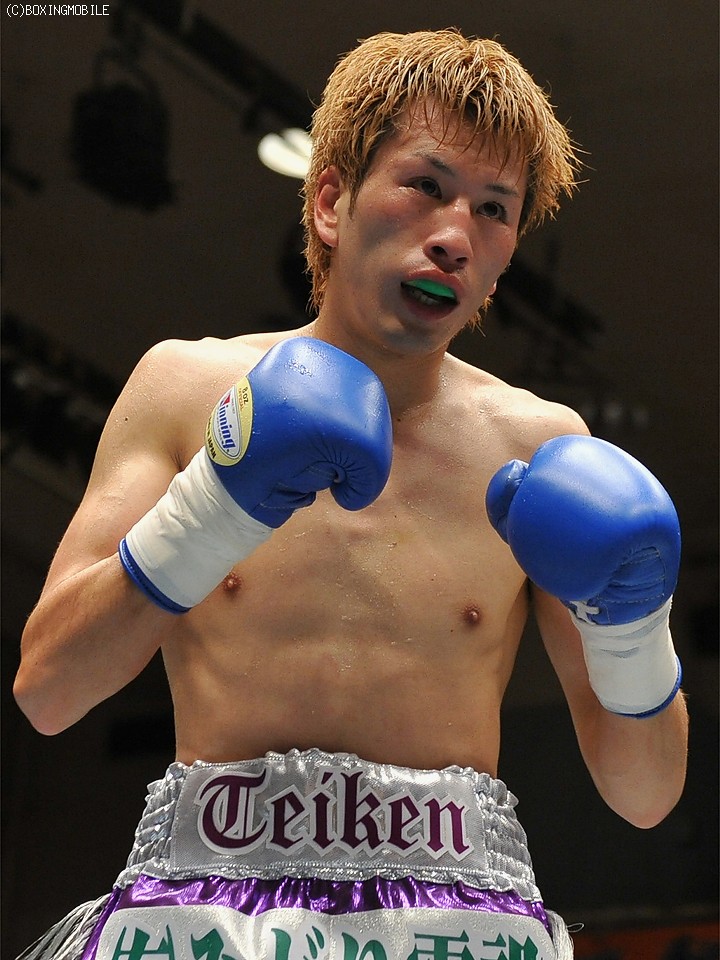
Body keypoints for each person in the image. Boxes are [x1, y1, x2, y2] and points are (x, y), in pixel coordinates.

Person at [14, 28, 687, 960]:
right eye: (426, 185)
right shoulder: (186, 390)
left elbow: (645, 795)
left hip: (458, 923)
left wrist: (635, 631)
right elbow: (48, 690)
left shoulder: (539, 448)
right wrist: (215, 504)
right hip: (207, 913)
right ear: (331, 200)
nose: (454, 236)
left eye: (495, 209)